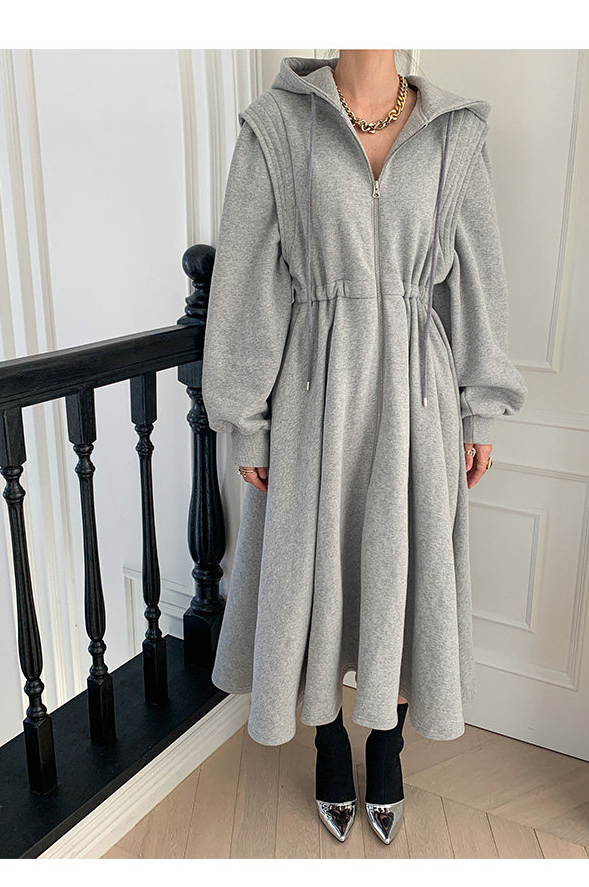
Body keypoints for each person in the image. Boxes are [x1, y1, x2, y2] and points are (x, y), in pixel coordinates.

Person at [201, 50, 527, 846]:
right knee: (310, 573)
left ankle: (387, 743)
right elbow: (245, 281)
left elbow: (478, 280)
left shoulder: (455, 133)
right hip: (315, 390)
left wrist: (480, 410)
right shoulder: (276, 127)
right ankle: (326, 739)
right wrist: (246, 419)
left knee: (405, 569)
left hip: (417, 391)